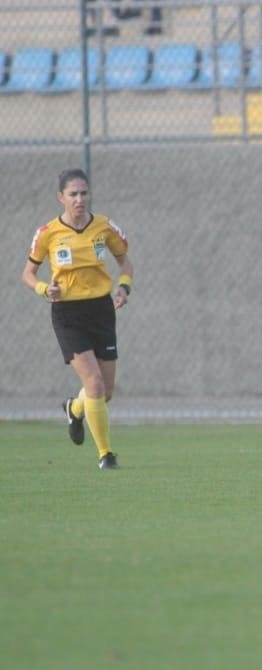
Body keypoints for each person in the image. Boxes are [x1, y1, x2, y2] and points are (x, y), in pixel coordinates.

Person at [21, 169, 133, 470]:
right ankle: (106, 455)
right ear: (61, 198)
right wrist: (45, 289)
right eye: (73, 194)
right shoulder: (48, 233)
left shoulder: (104, 226)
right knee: (93, 382)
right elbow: (28, 274)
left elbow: (124, 261)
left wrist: (124, 287)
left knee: (105, 392)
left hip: (100, 310)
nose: (79, 199)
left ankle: (74, 407)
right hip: (68, 313)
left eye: (84, 193)